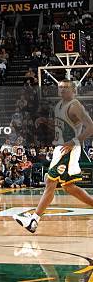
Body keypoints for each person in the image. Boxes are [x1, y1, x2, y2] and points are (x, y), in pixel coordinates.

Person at [14, 80, 93, 233]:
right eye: (60, 88)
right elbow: (61, 126)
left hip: (68, 149)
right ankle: (34, 220)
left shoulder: (75, 105)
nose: (62, 90)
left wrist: (74, 141)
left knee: (50, 182)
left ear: (73, 90)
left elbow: (91, 126)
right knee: (69, 187)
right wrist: (45, 121)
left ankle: (34, 220)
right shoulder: (58, 106)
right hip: (60, 148)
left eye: (66, 88)